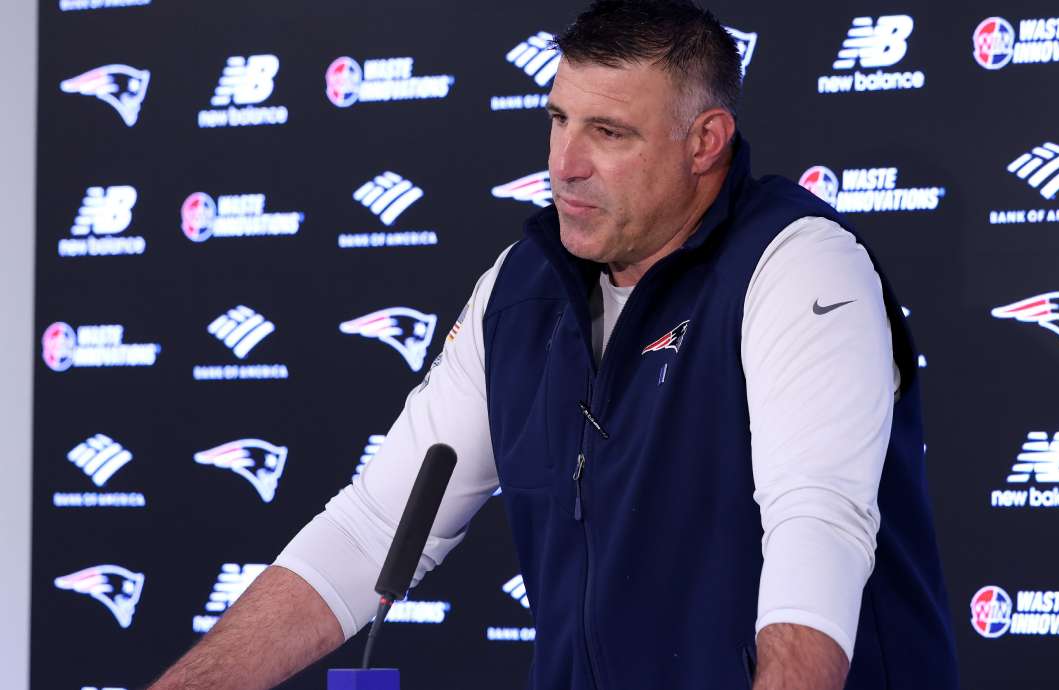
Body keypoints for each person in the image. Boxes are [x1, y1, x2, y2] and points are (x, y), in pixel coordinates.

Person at [149, 1, 957, 688]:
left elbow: (817, 524)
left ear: (705, 141)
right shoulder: (521, 288)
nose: (564, 165)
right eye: (558, 120)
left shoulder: (797, 263)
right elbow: (371, 532)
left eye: (609, 132)